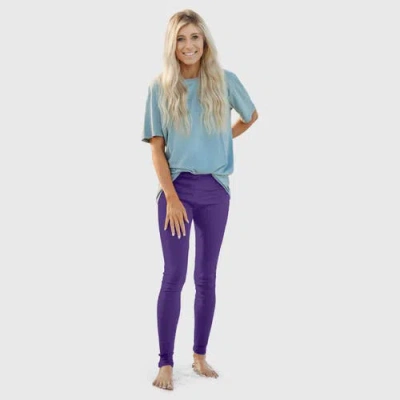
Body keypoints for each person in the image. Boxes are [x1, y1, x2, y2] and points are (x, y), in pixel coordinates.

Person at [142, 9, 258, 391]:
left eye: (194, 37)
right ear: (172, 45)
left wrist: (221, 138)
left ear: (204, 41)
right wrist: (172, 198)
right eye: (180, 38)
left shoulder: (225, 82)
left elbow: (251, 115)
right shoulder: (160, 88)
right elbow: (156, 149)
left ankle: (200, 356)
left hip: (215, 191)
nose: (188, 45)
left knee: (206, 277)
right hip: (176, 191)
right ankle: (165, 362)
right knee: (174, 275)